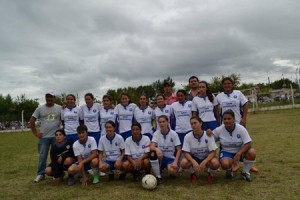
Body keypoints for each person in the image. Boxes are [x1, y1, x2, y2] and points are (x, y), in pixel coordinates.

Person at [216, 77, 259, 173]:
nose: (227, 85)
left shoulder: (238, 93)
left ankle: (250, 165)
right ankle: (234, 164)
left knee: (245, 144)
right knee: (226, 144)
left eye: (229, 83)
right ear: (223, 85)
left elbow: (245, 104)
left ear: (232, 84)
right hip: (226, 124)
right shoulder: (219, 96)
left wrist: (244, 118)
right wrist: (218, 121)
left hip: (239, 123)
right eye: (225, 84)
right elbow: (216, 108)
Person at [212, 109, 256, 181]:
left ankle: (245, 171)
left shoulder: (241, 128)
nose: (226, 121)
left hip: (240, 152)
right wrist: (207, 133)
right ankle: (229, 170)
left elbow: (248, 144)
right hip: (227, 152)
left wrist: (239, 153)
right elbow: (209, 139)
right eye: (225, 119)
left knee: (252, 152)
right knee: (225, 164)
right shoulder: (219, 129)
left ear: (234, 119)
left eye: (229, 119)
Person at [30, 91, 62, 183]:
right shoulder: (40, 108)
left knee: (57, 156)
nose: (49, 99)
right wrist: (36, 133)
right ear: (45, 98)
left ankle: (57, 173)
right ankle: (40, 174)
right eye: (47, 97)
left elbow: (64, 119)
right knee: (42, 156)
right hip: (44, 137)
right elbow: (32, 120)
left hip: (56, 137)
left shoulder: (59, 108)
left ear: (54, 98)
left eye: (51, 97)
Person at [181, 116, 220, 183]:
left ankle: (211, 174)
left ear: (201, 123)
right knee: (183, 163)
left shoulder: (208, 135)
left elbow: (213, 152)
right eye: (192, 124)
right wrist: (193, 161)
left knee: (215, 163)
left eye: (195, 123)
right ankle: (193, 173)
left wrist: (204, 162)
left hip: (206, 157)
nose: (193, 125)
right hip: (195, 157)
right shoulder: (187, 136)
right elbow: (186, 152)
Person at [150, 115, 181, 183]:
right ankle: (158, 176)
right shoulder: (156, 133)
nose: (162, 123)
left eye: (164, 121)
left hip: (170, 158)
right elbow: (152, 146)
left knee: (172, 171)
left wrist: (175, 161)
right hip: (161, 158)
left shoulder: (173, 134)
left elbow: (179, 149)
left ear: (167, 122)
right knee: (152, 154)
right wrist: (157, 149)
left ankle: (169, 169)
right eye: (160, 122)